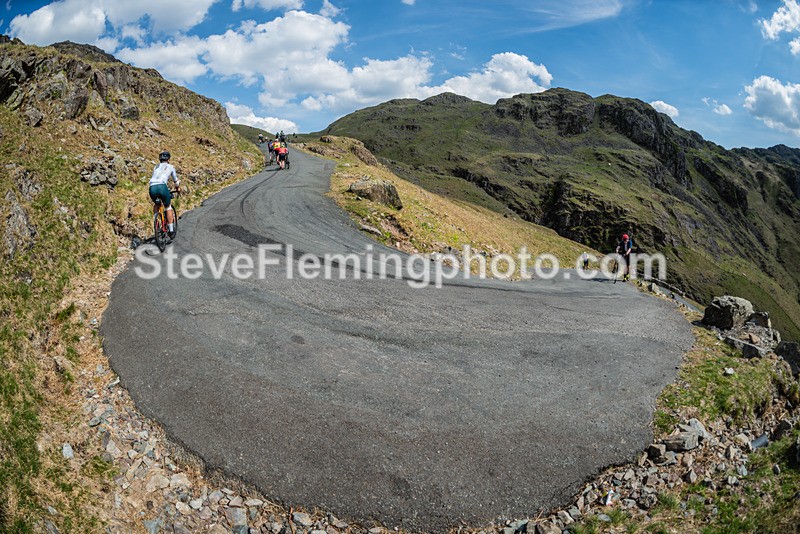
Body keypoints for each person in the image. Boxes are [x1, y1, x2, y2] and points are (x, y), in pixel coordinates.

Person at [149, 151, 180, 238]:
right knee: (168, 207)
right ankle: (170, 230)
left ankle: (156, 222)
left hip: (152, 187)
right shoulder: (170, 167)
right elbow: (176, 181)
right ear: (168, 159)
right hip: (162, 187)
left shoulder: (156, 167)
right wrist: (178, 188)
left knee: (157, 204)